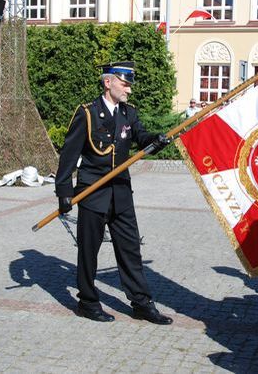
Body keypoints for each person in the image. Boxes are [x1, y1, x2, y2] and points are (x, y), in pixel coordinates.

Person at [54, 61, 172, 324]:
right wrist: (63, 192)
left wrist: (157, 139)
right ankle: (87, 301)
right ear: (108, 83)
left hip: (120, 192)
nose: (129, 90)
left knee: (130, 249)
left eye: (129, 85)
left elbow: (141, 137)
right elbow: (69, 156)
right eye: (125, 84)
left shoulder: (128, 113)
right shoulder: (87, 113)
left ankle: (141, 303)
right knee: (88, 250)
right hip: (93, 193)